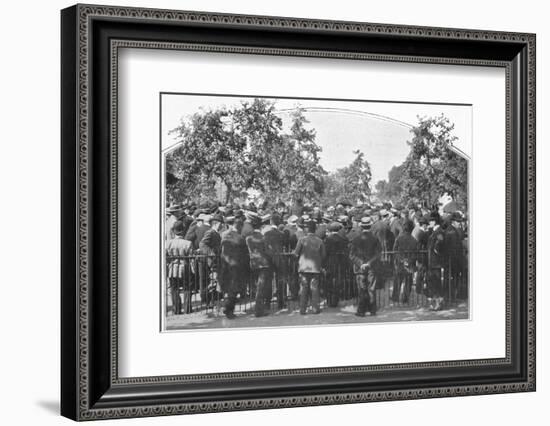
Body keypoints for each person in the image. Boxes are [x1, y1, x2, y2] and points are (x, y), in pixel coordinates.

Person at [349, 216, 382, 316]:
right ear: (370, 226)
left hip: (360, 269)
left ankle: (361, 311)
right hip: (372, 268)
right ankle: (372, 310)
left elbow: (351, 255)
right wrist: (369, 263)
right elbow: (378, 254)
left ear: (361, 226)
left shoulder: (356, 239)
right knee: (371, 289)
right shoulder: (375, 239)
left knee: (362, 289)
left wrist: (361, 263)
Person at [293, 219, 326, 314]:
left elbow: (296, 253)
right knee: (314, 288)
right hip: (315, 268)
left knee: (304, 288)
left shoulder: (302, 240)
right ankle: (315, 308)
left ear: (307, 229)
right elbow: (323, 255)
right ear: (315, 229)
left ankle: (302, 309)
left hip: (303, 268)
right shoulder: (320, 241)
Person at [219, 216, 249, 319]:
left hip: (225, 265)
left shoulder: (225, 235)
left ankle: (227, 307)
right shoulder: (240, 238)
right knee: (234, 289)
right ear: (239, 226)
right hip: (236, 266)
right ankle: (228, 309)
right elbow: (244, 254)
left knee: (228, 288)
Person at [245, 213, 274, 317]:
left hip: (253, 264)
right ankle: (259, 310)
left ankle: (258, 308)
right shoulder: (264, 237)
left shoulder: (248, 238)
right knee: (261, 288)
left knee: (257, 287)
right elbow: (268, 251)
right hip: (264, 264)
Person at [166, 220, 193, 315]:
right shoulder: (188, 243)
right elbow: (191, 257)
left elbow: (166, 257)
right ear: (183, 230)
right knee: (187, 288)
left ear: (174, 231)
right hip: (184, 267)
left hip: (172, 268)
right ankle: (187, 308)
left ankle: (176, 309)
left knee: (174, 289)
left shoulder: (168, 243)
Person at [198, 214, 223, 307]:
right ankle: (207, 301)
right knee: (212, 282)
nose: (222, 226)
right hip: (210, 261)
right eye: (221, 224)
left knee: (213, 282)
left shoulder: (216, 233)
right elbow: (202, 244)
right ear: (217, 223)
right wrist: (212, 254)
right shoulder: (211, 232)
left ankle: (210, 301)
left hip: (214, 261)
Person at [392, 219, 419, 304]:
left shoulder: (399, 238)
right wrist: (409, 261)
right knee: (408, 282)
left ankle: (395, 297)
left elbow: (394, 250)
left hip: (400, 263)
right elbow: (416, 254)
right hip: (410, 264)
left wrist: (401, 260)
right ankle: (405, 298)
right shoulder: (414, 241)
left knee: (398, 280)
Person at [264, 213, 287, 309]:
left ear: (270, 222)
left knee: (268, 281)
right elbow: (286, 244)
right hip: (279, 257)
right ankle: (281, 302)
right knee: (280, 280)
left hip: (269, 258)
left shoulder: (266, 234)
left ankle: (267, 303)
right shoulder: (281, 234)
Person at [324, 221, 349, 307]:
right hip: (340, 262)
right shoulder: (343, 239)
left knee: (329, 281)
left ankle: (330, 300)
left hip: (330, 262)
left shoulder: (328, 239)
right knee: (338, 281)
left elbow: (325, 253)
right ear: (338, 230)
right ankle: (336, 299)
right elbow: (346, 252)